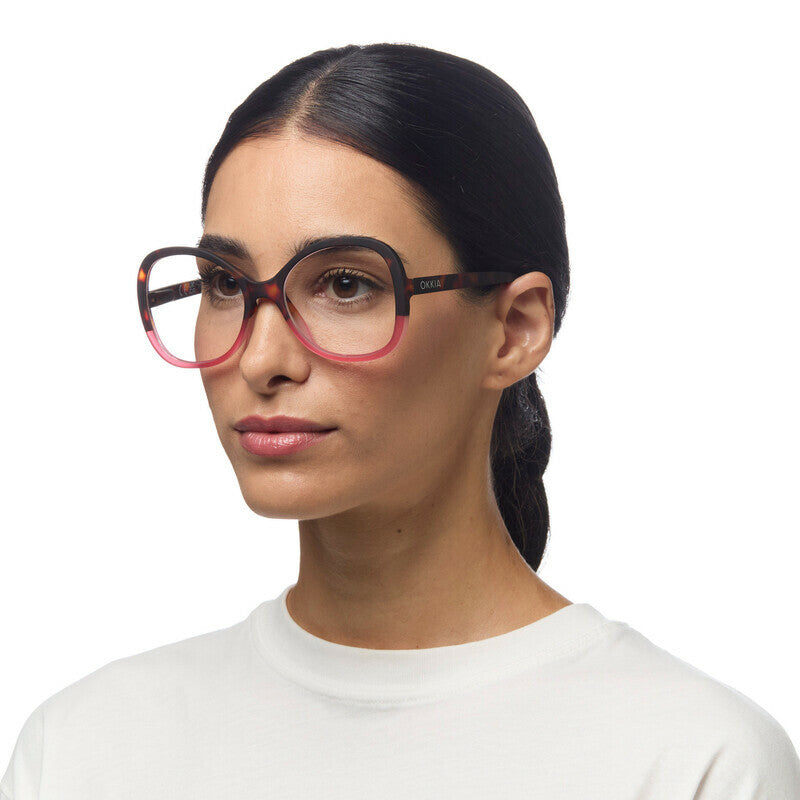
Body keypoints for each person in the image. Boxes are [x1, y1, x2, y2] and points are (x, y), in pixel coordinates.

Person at [2, 42, 798, 799]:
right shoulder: (85, 749)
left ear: (515, 329)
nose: (260, 359)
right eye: (225, 284)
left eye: (345, 285)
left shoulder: (692, 762)